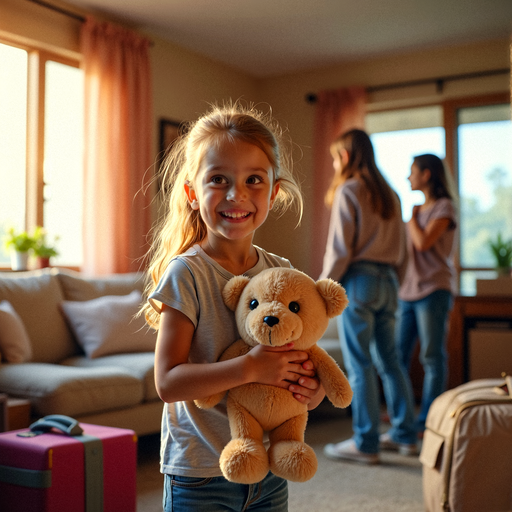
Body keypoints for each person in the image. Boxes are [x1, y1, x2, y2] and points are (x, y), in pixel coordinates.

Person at [141, 102, 325, 512]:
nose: (236, 194)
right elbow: (167, 381)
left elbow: (296, 370)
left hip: (270, 472)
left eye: (253, 180)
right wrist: (250, 368)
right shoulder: (186, 273)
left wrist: (309, 391)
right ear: (192, 193)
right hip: (200, 473)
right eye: (218, 179)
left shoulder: (283, 271)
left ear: (274, 191)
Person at [320, 129, 417, 465]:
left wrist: (322, 288)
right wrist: (395, 285)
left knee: (359, 365)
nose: (334, 164)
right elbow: (404, 252)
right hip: (390, 283)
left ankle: (366, 442)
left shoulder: (349, 189)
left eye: (335, 157)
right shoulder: (391, 194)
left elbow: (340, 250)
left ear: (345, 156)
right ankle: (405, 435)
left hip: (360, 280)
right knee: (391, 362)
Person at [396, 153, 457, 436]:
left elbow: (423, 243)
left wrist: (411, 217)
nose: (409, 177)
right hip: (407, 291)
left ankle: (428, 422)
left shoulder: (444, 207)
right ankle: (404, 415)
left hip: (434, 290)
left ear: (427, 174)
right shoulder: (418, 210)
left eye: (412, 172)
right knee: (396, 356)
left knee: (432, 358)